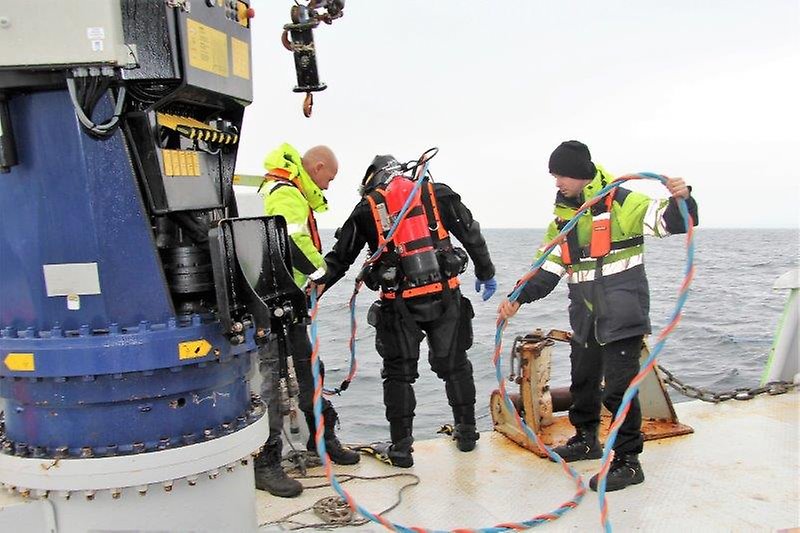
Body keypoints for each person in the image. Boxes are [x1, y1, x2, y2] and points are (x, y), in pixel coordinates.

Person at [497, 140, 698, 492]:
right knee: (583, 381)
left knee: (619, 391)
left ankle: (628, 461)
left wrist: (683, 197)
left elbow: (673, 222)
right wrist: (517, 297)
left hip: (623, 313)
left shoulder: (623, 201)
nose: (556, 182)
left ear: (578, 175)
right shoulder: (564, 217)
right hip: (586, 316)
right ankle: (586, 439)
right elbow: (547, 269)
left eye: (560, 175)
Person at [315, 154, 497, 468]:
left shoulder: (366, 208)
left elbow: (339, 260)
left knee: (399, 376)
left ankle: (401, 449)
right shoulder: (435, 193)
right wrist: (486, 271)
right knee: (456, 366)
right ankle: (467, 435)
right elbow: (471, 232)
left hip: (398, 303)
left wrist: (312, 294)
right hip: (445, 296)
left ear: (372, 178)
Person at [253, 143, 360, 499]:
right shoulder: (286, 193)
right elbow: (291, 241)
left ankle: (322, 441)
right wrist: (321, 271)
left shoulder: (288, 190)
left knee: (311, 371)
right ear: (316, 167)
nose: (328, 187)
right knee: (270, 383)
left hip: (290, 305)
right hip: (273, 306)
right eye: (328, 178)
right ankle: (266, 462)